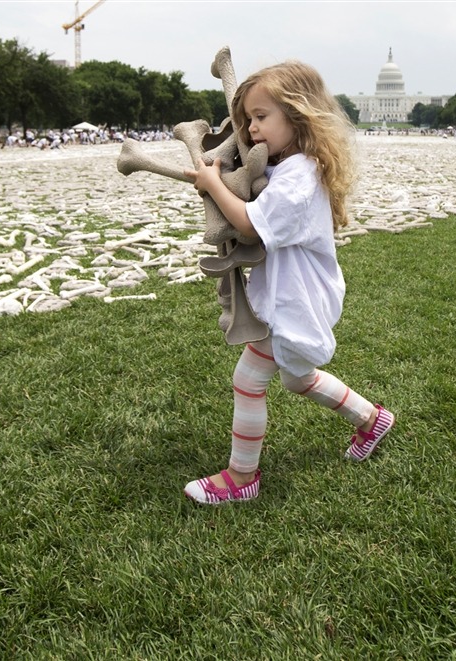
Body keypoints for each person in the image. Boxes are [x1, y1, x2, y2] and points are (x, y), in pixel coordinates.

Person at [182, 60, 395, 504]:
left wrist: (213, 183)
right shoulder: (292, 167)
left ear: (297, 116)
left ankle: (242, 477)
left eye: (261, 117)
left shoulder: (299, 178)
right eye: (248, 119)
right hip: (293, 291)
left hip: (294, 297)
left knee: (248, 379)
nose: (252, 128)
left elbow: (249, 224)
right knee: (298, 378)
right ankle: (371, 418)